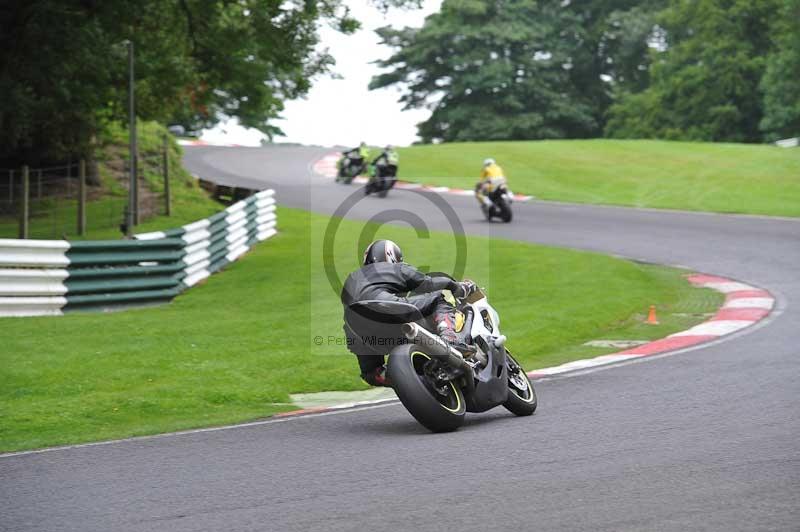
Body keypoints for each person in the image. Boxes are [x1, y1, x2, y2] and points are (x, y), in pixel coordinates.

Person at [340, 240, 476, 387]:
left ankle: (409, 380)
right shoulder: (395, 268)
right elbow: (428, 283)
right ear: (393, 257)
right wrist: (461, 288)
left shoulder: (352, 278)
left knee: (372, 373)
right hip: (388, 307)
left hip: (356, 328)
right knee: (441, 297)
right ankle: (451, 339)